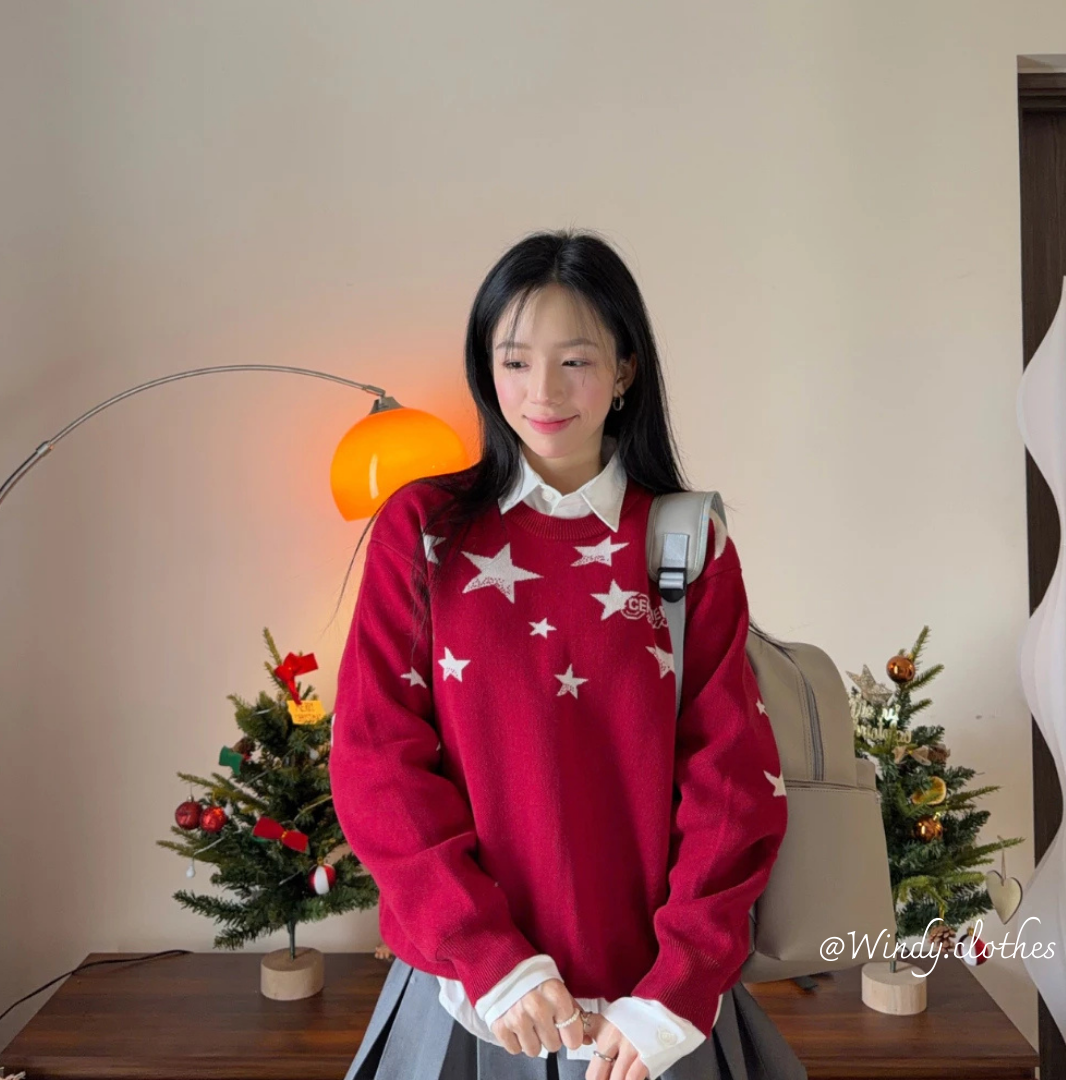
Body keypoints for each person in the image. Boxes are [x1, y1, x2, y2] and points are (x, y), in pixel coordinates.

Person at [328, 228, 806, 1080]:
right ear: (486, 369)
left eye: (575, 361)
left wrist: (679, 988)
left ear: (625, 370)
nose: (542, 391)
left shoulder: (685, 538)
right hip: (469, 1002)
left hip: (651, 1021)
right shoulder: (423, 531)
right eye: (514, 361)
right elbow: (376, 761)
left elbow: (733, 780)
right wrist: (489, 958)